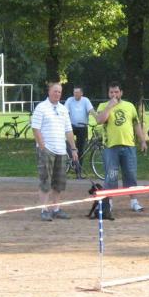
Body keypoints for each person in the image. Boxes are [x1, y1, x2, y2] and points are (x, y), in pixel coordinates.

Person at [95, 82, 148, 212]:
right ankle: (109, 202)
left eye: (116, 92)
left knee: (130, 174)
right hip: (110, 146)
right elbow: (100, 120)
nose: (114, 94)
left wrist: (142, 141)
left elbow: (136, 124)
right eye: (111, 92)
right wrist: (109, 107)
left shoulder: (129, 106)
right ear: (108, 93)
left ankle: (134, 202)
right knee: (111, 175)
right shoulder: (103, 105)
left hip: (129, 145)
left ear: (121, 93)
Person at [31, 82, 79, 222]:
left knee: (59, 182)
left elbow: (68, 131)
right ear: (49, 92)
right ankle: (44, 210)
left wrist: (73, 149)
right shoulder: (41, 107)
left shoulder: (63, 109)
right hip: (47, 150)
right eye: (55, 91)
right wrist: (42, 147)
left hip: (61, 151)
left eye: (59, 92)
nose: (57, 94)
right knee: (45, 180)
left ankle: (56, 209)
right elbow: (35, 129)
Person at [65, 86, 96, 156]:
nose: (75, 94)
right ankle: (71, 157)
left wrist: (98, 118)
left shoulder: (85, 100)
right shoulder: (69, 100)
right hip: (71, 126)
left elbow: (91, 110)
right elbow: (64, 112)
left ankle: (79, 162)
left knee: (80, 148)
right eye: (74, 92)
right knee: (68, 143)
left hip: (82, 127)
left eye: (77, 92)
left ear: (81, 93)